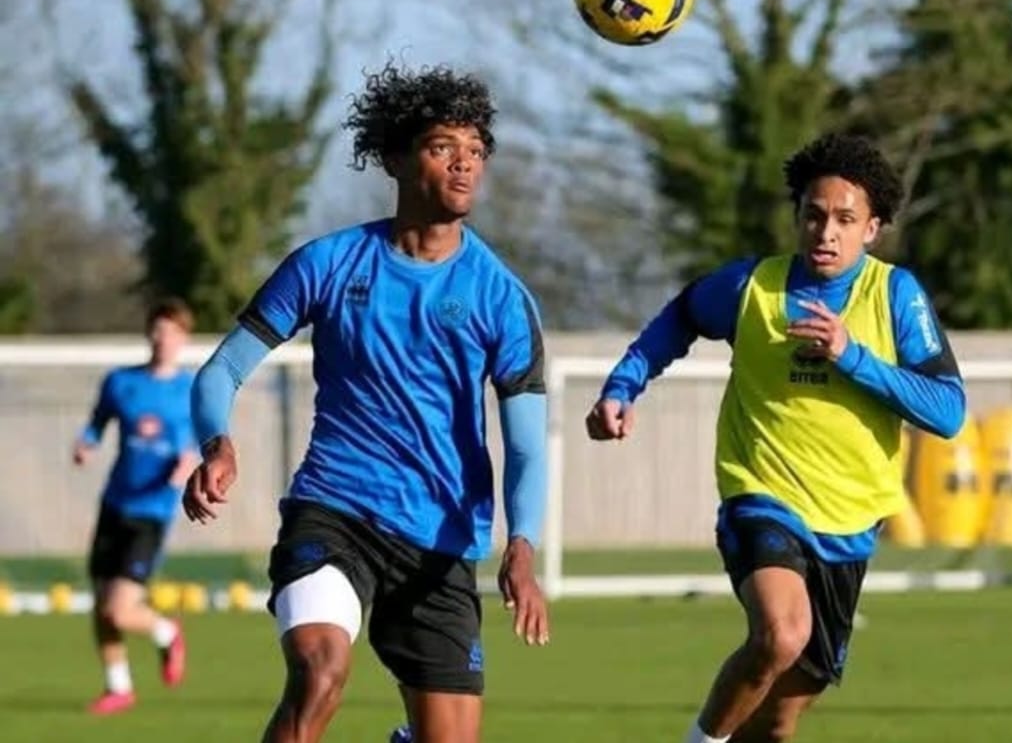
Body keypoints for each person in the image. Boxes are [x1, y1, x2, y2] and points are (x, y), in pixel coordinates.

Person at [186, 63, 550, 743]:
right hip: (336, 512)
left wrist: (522, 544)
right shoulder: (328, 263)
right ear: (395, 157)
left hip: (439, 542)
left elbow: (527, 443)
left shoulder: (502, 296)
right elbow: (220, 371)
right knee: (320, 674)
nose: (465, 165)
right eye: (444, 147)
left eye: (476, 151)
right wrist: (217, 443)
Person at [586, 132, 966, 743]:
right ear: (797, 216)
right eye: (814, 216)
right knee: (780, 634)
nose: (826, 232)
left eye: (845, 219)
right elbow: (681, 316)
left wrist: (851, 356)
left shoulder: (895, 295)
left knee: (779, 722)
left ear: (873, 229)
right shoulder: (752, 288)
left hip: (850, 523)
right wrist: (622, 386)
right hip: (760, 496)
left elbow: (947, 411)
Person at [72, 297, 197, 714]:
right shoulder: (121, 382)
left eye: (172, 333)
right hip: (115, 504)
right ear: (149, 333)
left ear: (184, 339)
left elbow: (204, 440)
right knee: (101, 607)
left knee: (120, 610)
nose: (163, 339)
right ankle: (118, 686)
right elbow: (97, 421)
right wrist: (86, 444)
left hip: (153, 512)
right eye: (158, 330)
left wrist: (189, 460)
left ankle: (166, 630)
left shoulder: (191, 390)